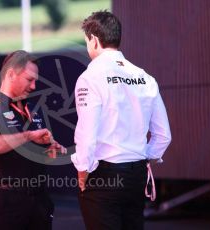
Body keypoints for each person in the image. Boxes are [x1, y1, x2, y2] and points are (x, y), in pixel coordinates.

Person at [71, 10, 172, 230]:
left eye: (87, 41)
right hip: (136, 174)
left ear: (94, 40)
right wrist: (145, 159)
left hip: (104, 175)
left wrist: (83, 169)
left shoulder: (90, 77)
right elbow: (163, 135)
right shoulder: (145, 77)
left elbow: (87, 134)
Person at [0, 50, 66, 230]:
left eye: (35, 81)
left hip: (39, 200)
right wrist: (28, 135)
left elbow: (40, 156)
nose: (33, 86)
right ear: (10, 74)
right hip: (8, 202)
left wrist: (49, 151)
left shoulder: (34, 110)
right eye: (29, 80)